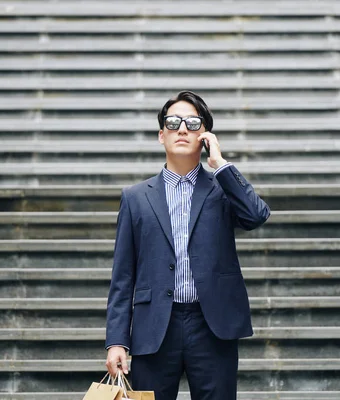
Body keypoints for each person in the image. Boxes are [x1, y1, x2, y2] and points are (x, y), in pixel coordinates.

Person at [104, 90, 270, 400]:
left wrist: (220, 165)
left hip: (211, 325)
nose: (182, 129)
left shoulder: (222, 190)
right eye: (173, 122)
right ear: (161, 135)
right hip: (155, 327)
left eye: (193, 123)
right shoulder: (136, 198)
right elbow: (122, 275)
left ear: (205, 136)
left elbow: (256, 215)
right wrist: (116, 341)